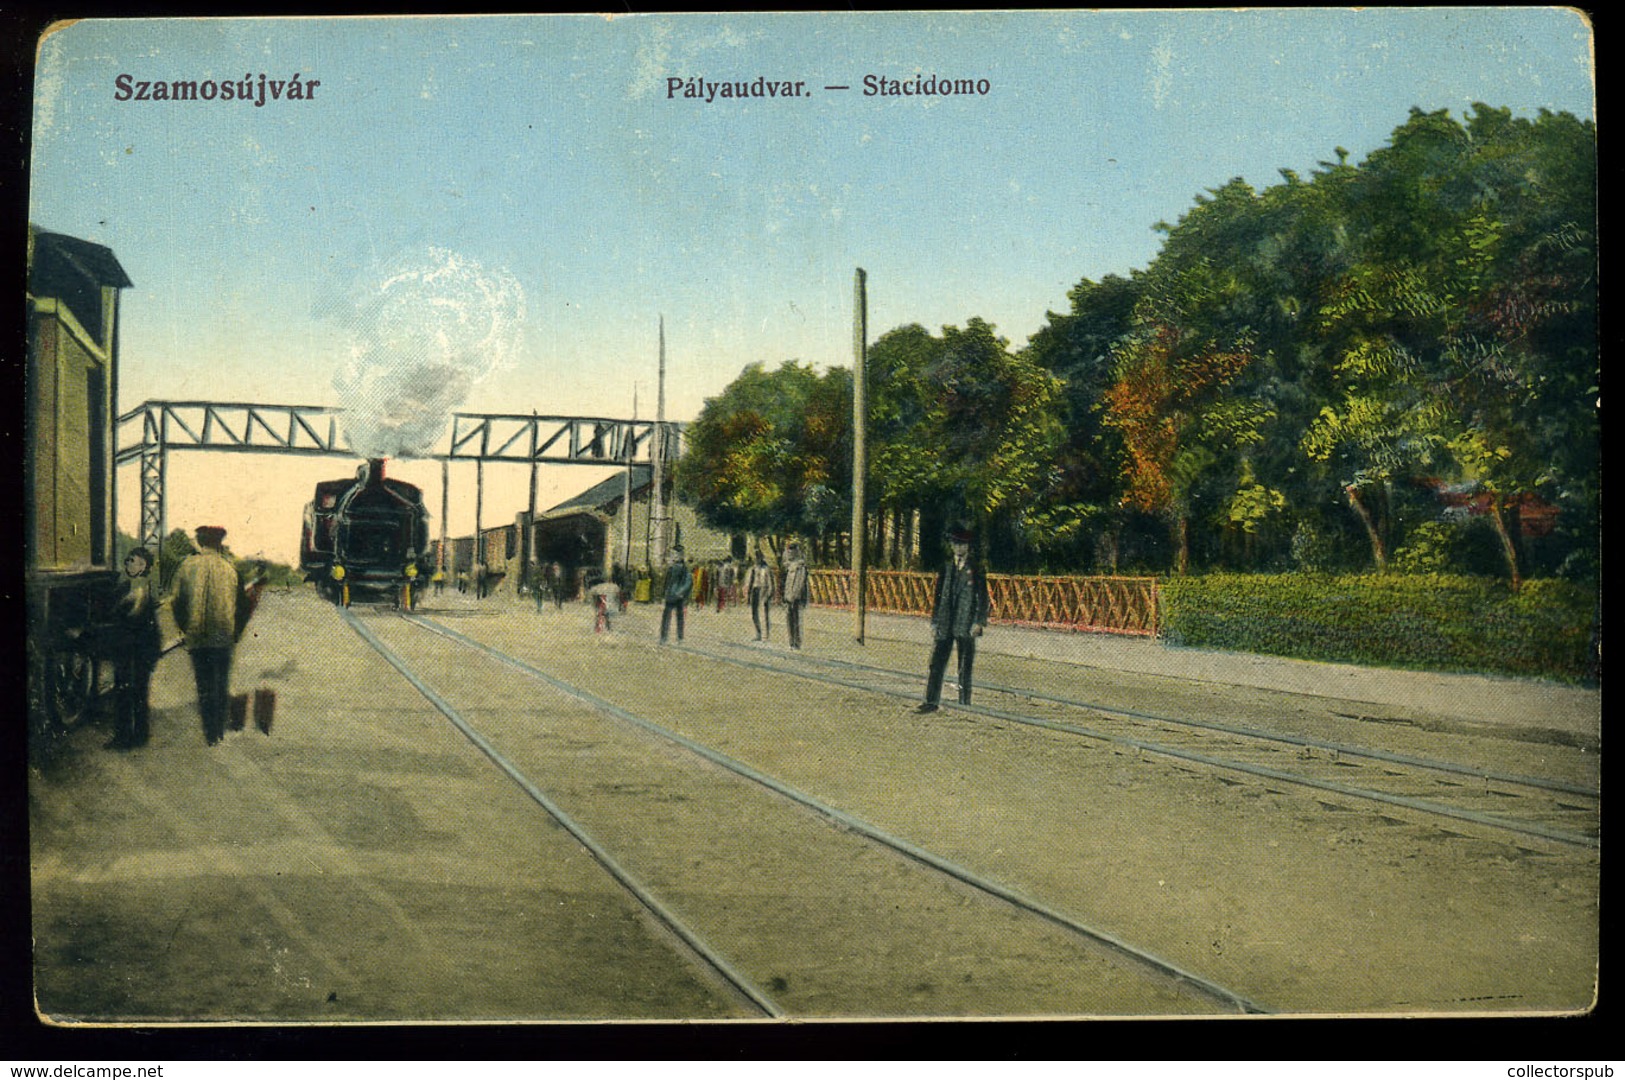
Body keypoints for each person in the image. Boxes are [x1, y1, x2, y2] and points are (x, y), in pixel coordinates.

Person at [169, 525, 240, 745]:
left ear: (199, 542)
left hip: (198, 636)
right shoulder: (229, 569)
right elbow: (239, 605)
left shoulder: (186, 567)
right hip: (223, 635)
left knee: (204, 685)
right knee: (221, 683)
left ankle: (209, 732)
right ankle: (218, 729)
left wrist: (185, 627)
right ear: (219, 543)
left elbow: (176, 602)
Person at [917, 525, 990, 714]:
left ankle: (964, 703)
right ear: (951, 545)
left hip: (966, 623)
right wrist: (934, 622)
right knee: (936, 663)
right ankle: (930, 701)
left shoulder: (976, 568)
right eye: (955, 544)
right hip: (945, 622)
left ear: (968, 546)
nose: (958, 548)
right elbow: (938, 597)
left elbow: (983, 598)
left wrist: (979, 622)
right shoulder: (946, 568)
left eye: (962, 544)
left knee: (964, 665)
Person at [106, 547, 163, 750]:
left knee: (132, 691)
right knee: (130, 691)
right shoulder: (127, 586)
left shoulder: (141, 588)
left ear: (143, 566)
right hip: (131, 648)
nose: (128, 563)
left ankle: (129, 737)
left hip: (139, 648)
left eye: (133, 561)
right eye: (127, 560)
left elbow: (126, 616)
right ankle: (134, 736)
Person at [659, 547, 693, 643]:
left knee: (679, 617)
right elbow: (667, 582)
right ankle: (664, 637)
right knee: (666, 617)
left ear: (680, 556)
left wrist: (680, 593)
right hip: (670, 595)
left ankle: (680, 637)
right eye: (672, 555)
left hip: (679, 596)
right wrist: (665, 593)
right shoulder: (671, 568)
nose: (673, 557)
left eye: (675, 555)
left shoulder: (685, 569)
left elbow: (688, 582)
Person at [781, 542, 811, 649]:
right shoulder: (789, 567)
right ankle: (791, 641)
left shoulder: (800, 567)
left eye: (791, 551)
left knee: (796, 619)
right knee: (789, 619)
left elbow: (800, 583)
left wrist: (795, 596)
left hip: (795, 597)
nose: (789, 554)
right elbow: (786, 583)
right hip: (788, 596)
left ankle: (797, 641)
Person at [745, 550, 775, 641]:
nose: (757, 560)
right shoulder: (752, 569)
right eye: (755, 558)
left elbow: (770, 583)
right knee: (754, 614)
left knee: (764, 614)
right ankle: (758, 634)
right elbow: (749, 582)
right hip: (755, 590)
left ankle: (766, 635)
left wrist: (769, 594)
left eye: (758, 558)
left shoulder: (766, 569)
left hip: (763, 590)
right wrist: (748, 595)